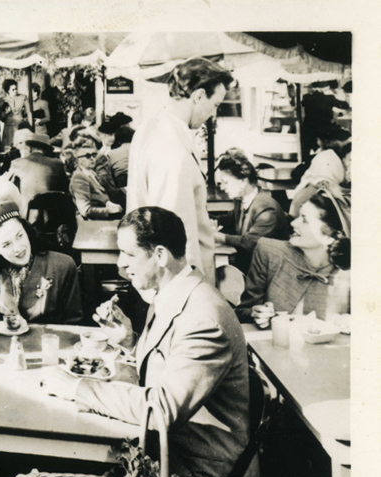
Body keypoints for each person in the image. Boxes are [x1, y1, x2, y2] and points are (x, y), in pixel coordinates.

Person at [37, 206, 258, 477]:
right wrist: (129, 340)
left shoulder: (204, 316)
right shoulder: (175, 293)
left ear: (159, 255)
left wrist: (75, 387)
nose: (121, 266)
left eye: (128, 255)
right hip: (177, 456)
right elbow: (166, 372)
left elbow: (161, 409)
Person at [127, 57, 234, 278]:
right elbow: (177, 233)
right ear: (199, 96)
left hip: (152, 269)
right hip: (178, 282)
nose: (213, 114)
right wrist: (192, 289)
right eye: (215, 105)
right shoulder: (173, 148)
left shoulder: (150, 128)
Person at [237, 191, 350, 326]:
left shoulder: (352, 271)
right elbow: (241, 312)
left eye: (304, 219)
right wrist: (255, 313)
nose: (293, 223)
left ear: (329, 236)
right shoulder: (269, 252)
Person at [0, 195, 82, 325]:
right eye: (6, 244)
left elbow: (73, 323)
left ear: (26, 230)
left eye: (20, 236)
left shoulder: (62, 266)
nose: (18, 248)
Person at [213, 148, 287, 273]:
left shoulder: (266, 209)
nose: (222, 187)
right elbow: (229, 219)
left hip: (271, 273)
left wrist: (217, 236)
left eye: (225, 182)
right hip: (253, 267)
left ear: (243, 181)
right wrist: (207, 220)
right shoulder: (241, 200)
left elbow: (249, 243)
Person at [6, 129, 69, 215]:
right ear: (46, 150)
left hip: (29, 216)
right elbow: (65, 188)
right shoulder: (57, 163)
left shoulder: (17, 163)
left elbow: (7, 187)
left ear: (31, 148)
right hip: (54, 216)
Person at [67, 134, 124, 220]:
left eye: (94, 155)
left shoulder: (91, 173)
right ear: (77, 159)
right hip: (92, 223)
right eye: (87, 156)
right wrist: (108, 210)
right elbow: (85, 211)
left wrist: (108, 203)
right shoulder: (79, 177)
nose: (92, 158)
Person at [0, 79, 32, 153]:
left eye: (16, 88)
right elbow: (1, 117)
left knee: (20, 148)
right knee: (8, 149)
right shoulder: (3, 100)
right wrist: (6, 113)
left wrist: (29, 123)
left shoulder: (23, 97)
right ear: (8, 91)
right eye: (13, 89)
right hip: (9, 127)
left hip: (20, 125)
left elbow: (29, 112)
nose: (15, 91)